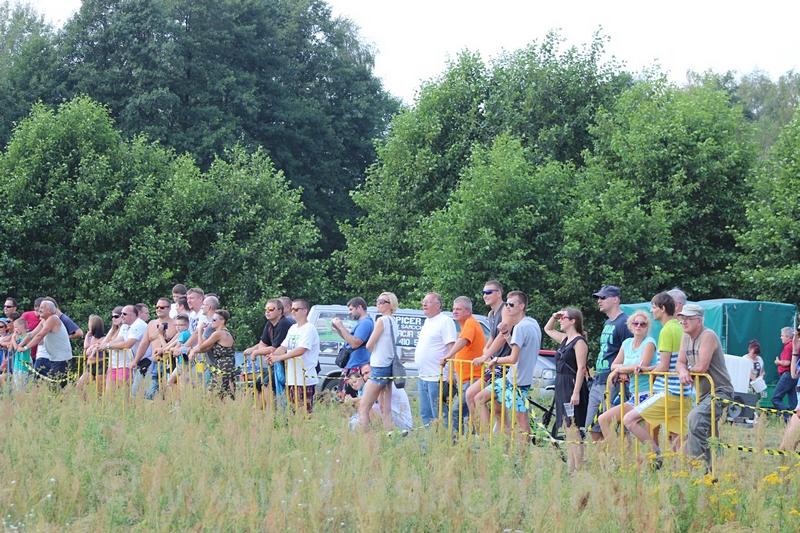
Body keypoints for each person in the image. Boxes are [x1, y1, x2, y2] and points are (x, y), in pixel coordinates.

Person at [623, 292, 692, 465]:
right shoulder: (680, 328)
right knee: (678, 440)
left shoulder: (666, 330)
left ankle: (656, 454)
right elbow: (669, 364)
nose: (652, 311)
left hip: (668, 392)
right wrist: (648, 368)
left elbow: (664, 366)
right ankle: (684, 474)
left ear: (663, 308)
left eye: (654, 307)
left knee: (629, 420)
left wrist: (650, 374)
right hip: (684, 393)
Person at [473, 291, 541, 440]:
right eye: (507, 304)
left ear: (521, 306)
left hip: (519, 381)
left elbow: (513, 358)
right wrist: (505, 334)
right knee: (479, 398)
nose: (507, 307)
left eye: (511, 304)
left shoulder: (521, 327)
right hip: (510, 379)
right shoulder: (532, 323)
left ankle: (523, 454)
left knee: (522, 422)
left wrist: (496, 360)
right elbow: (516, 348)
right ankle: (487, 440)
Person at [675, 304, 735, 470]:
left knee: (695, 419)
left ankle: (697, 468)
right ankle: (717, 470)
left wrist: (686, 370)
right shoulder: (685, 337)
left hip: (720, 390)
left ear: (699, 321)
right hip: (703, 394)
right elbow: (679, 362)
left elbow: (702, 367)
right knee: (709, 433)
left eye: (688, 318)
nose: (683, 322)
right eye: (682, 318)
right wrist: (682, 371)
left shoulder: (708, 335)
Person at [597, 310, 656, 440]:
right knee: (604, 419)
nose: (639, 326)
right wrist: (621, 369)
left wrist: (620, 370)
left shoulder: (649, 342)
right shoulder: (627, 343)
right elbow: (613, 365)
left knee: (651, 439)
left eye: (643, 324)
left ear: (647, 328)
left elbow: (640, 366)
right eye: (635, 323)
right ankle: (616, 451)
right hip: (634, 395)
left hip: (649, 394)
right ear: (630, 326)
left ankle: (654, 452)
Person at [544, 307, 589, 472]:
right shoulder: (565, 339)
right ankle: (571, 466)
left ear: (573, 321)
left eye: (564, 318)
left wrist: (576, 392)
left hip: (572, 383)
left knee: (573, 427)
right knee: (567, 426)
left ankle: (578, 467)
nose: (561, 321)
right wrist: (554, 316)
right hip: (561, 382)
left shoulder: (579, 342)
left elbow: (581, 368)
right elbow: (548, 329)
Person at [586, 285, 633, 442]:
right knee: (592, 428)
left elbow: (630, 351)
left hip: (615, 381)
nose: (599, 301)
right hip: (599, 379)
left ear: (615, 299)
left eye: (603, 297)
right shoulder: (608, 322)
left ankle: (621, 456)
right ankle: (605, 458)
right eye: (598, 298)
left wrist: (623, 372)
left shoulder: (624, 322)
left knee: (616, 427)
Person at [467, 281, 512, 430]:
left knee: (492, 406)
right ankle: (481, 435)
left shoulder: (505, 309)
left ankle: (487, 438)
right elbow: (493, 336)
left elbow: (503, 335)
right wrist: (486, 351)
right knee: (471, 395)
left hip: (506, 364)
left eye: (488, 292)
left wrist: (486, 356)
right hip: (495, 364)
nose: (485, 296)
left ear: (499, 293)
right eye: (483, 293)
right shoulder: (491, 314)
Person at [439, 296, 484, 434]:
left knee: (456, 412)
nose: (454, 311)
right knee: (470, 412)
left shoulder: (470, 323)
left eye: (458, 309)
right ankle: (472, 439)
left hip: (473, 378)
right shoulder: (467, 325)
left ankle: (458, 442)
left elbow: (463, 340)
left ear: (468, 311)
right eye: (453, 309)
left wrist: (448, 356)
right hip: (468, 379)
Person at [268, 299, 320, 413]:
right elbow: (283, 347)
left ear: (305, 311)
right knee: (293, 412)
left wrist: (279, 358)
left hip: (304, 378)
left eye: (296, 309)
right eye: (292, 309)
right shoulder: (293, 328)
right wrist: (272, 356)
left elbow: (301, 350)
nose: (293, 311)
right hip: (292, 377)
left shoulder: (309, 328)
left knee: (304, 412)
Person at [415, 292, 457, 427]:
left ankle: (446, 438)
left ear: (438, 305)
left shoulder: (445, 321)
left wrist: (450, 372)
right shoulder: (427, 321)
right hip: (423, 376)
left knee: (440, 413)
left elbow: (452, 349)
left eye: (428, 302)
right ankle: (430, 439)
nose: (424, 304)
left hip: (437, 377)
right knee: (425, 413)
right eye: (423, 302)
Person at [358, 293, 398, 430]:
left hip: (379, 366)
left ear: (390, 304)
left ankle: (363, 436)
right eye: (378, 300)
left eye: (382, 301)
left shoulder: (381, 320)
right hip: (389, 366)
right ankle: (389, 435)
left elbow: (369, 344)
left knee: (363, 407)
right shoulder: (393, 321)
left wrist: (373, 350)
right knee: (385, 408)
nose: (378, 303)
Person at [244, 299, 293, 407]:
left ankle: (271, 412)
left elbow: (275, 349)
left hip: (288, 364)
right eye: (266, 309)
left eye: (271, 309)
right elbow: (263, 343)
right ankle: (258, 410)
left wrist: (256, 353)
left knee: (267, 384)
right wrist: (266, 354)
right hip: (276, 362)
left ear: (280, 311)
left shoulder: (283, 324)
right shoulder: (269, 324)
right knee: (258, 384)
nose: (267, 311)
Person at [18, 300, 73, 389]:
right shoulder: (45, 320)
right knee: (53, 387)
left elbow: (39, 335)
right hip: (55, 358)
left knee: (56, 387)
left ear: (49, 311)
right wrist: (19, 344)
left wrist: (25, 348)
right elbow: (32, 334)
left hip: (62, 359)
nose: (39, 310)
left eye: (42, 308)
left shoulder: (52, 319)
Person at [130, 298, 176, 400]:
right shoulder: (151, 324)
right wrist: (135, 361)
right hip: (155, 363)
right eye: (157, 307)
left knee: (169, 394)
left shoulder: (175, 323)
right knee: (149, 394)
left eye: (162, 307)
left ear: (169, 308)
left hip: (170, 364)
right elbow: (144, 344)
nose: (159, 309)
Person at [346, 365, 412, 431]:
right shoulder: (380, 382)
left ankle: (370, 434)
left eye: (367, 373)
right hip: (393, 419)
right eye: (363, 374)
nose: (365, 377)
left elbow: (366, 399)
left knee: (368, 408)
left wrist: (352, 400)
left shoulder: (382, 383)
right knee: (365, 409)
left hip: (403, 423)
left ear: (375, 371)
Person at [331, 297, 374, 399]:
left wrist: (342, 327)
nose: (349, 312)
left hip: (357, 367)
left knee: (348, 400)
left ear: (359, 307)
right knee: (342, 398)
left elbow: (355, 344)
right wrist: (338, 329)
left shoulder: (365, 323)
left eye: (351, 309)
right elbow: (349, 340)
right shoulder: (361, 323)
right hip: (352, 365)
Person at [190, 309, 236, 400]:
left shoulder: (218, 333)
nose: (212, 321)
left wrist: (200, 330)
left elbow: (201, 346)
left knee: (211, 395)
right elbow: (207, 348)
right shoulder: (225, 332)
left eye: (214, 319)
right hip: (226, 365)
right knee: (222, 396)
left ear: (222, 321)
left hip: (223, 366)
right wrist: (193, 351)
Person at [102, 305, 147, 393]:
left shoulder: (139, 325)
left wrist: (108, 346)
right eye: (121, 313)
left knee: (131, 393)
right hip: (135, 362)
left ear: (133, 315)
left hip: (145, 361)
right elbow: (118, 339)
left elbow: (128, 344)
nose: (121, 315)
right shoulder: (125, 326)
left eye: (124, 314)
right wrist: (105, 345)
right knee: (110, 393)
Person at [76, 315, 106, 396]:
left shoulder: (104, 338)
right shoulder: (90, 338)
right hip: (89, 366)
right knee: (79, 386)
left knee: (100, 391)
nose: (88, 325)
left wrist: (91, 346)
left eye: (89, 323)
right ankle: (87, 401)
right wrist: (87, 336)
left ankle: (99, 403)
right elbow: (85, 346)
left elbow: (93, 345)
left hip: (99, 365)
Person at [772, 326, 797, 421]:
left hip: (787, 375)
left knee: (775, 398)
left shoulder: (788, 347)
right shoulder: (794, 345)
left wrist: (778, 362)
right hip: (794, 376)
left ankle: (788, 418)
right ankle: (794, 421)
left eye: (782, 335)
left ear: (788, 337)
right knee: (793, 402)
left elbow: (786, 362)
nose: (781, 337)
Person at [8, 318, 31, 390]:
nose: (14, 329)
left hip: (24, 364)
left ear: (22, 327)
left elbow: (17, 348)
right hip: (16, 364)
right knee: (16, 386)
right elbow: (10, 349)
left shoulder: (27, 336)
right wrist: (13, 339)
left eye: (16, 327)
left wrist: (13, 338)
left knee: (21, 386)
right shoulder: (17, 337)